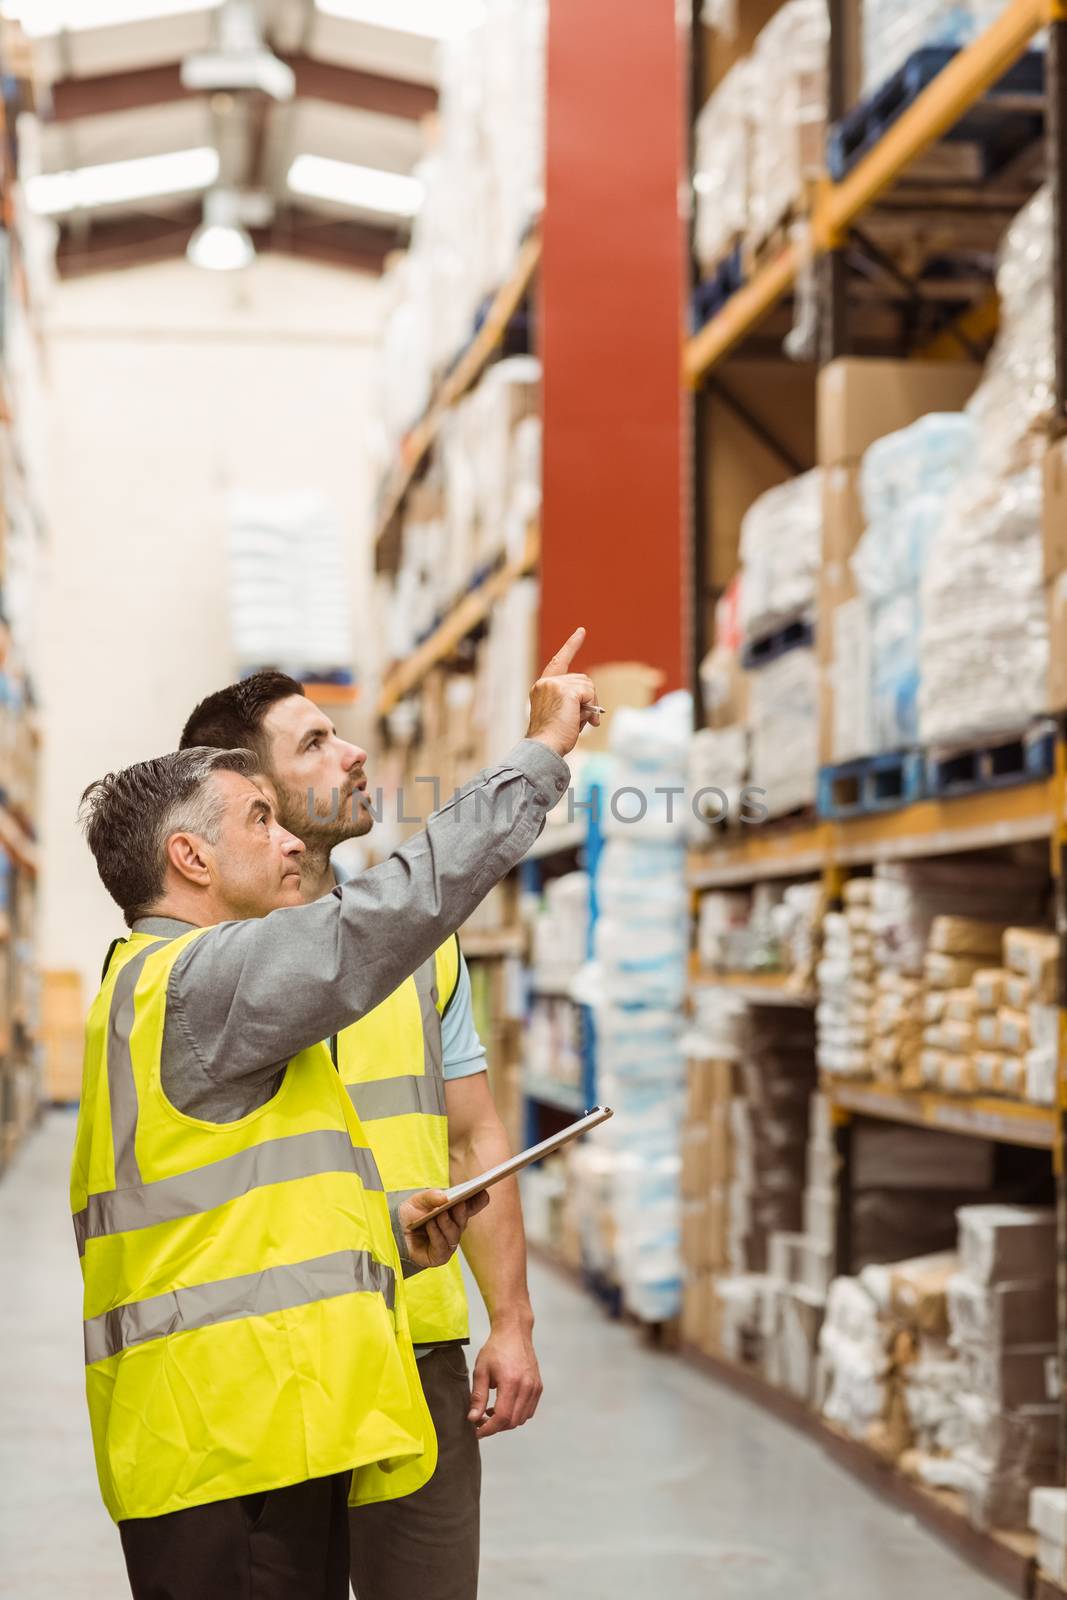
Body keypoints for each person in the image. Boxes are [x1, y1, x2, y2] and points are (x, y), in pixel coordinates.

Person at [72, 634, 597, 1600]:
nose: (283, 840)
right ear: (189, 856)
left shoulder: (152, 993)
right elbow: (378, 921)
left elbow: (231, 1223)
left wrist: (388, 1240)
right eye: (260, 817)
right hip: (227, 1441)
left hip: (265, 1418)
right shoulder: (196, 983)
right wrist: (537, 758)